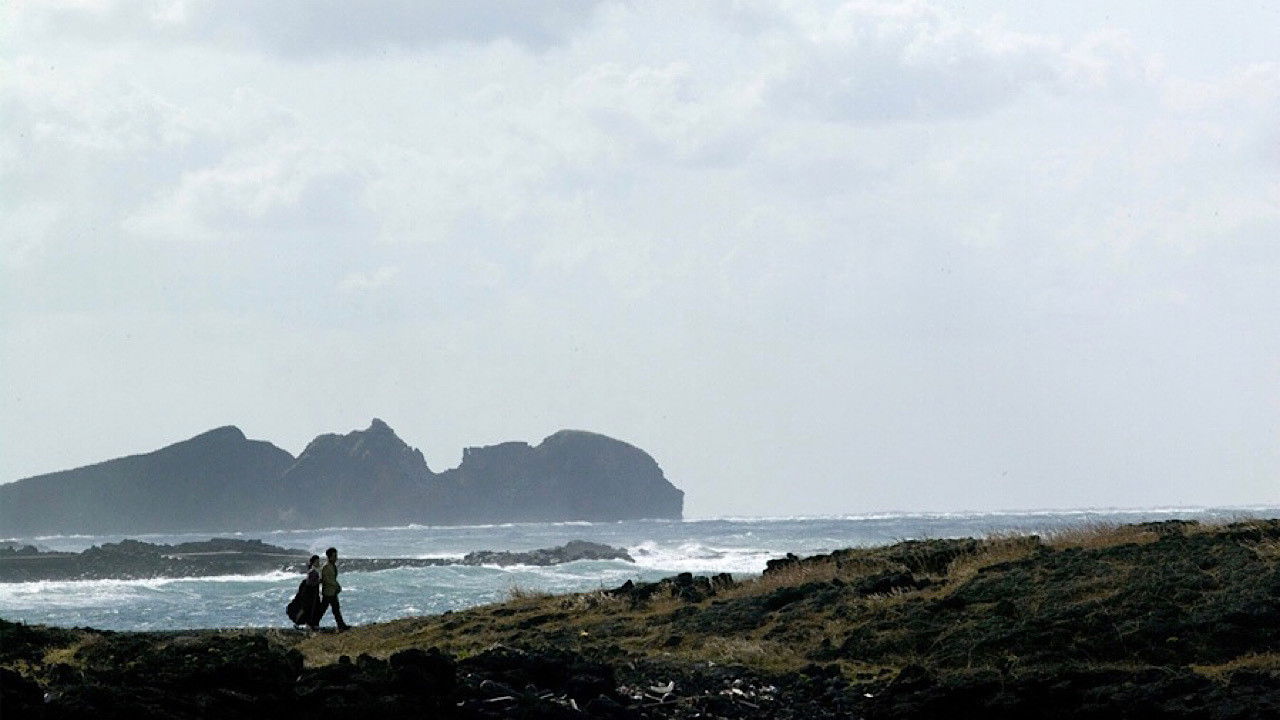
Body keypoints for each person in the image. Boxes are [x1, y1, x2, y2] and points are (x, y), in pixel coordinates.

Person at [316, 546, 350, 632]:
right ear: (329, 556)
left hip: (332, 591)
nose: (336, 558)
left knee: (334, 609)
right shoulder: (327, 567)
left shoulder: (331, 566)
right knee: (324, 609)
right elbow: (329, 580)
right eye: (334, 556)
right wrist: (337, 586)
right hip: (328, 592)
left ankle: (341, 625)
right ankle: (313, 624)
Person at [286, 555, 322, 630]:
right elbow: (309, 583)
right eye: (317, 561)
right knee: (305, 608)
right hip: (309, 593)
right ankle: (298, 623)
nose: (318, 563)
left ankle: (307, 624)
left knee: (308, 609)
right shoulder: (312, 571)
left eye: (318, 561)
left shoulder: (314, 570)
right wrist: (319, 581)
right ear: (313, 562)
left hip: (310, 592)